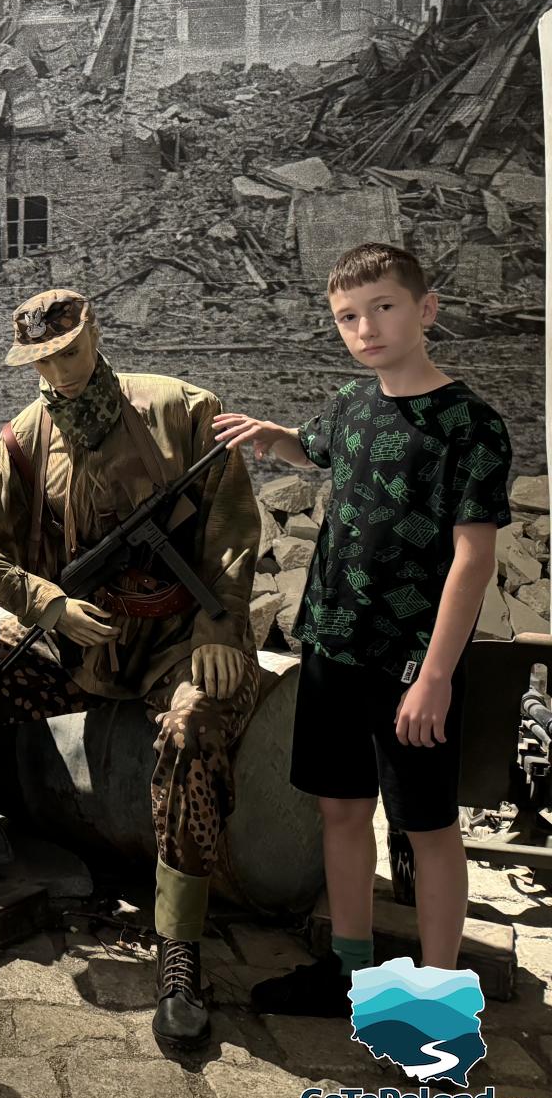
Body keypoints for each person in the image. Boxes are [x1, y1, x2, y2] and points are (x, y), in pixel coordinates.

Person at [0, 289, 260, 1050]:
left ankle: (179, 948)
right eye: (40, 361)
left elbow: (234, 525)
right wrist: (39, 601)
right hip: (79, 647)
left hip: (175, 646)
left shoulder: (179, 411)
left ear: (94, 334)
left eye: (68, 352)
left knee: (193, 726)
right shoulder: (21, 443)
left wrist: (219, 625)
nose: (59, 373)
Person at [215, 243, 510, 1015]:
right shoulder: (350, 407)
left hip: (414, 664)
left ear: (425, 309)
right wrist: (266, 433)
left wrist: (436, 675)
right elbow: (307, 448)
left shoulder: (470, 425)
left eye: (383, 307)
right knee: (340, 811)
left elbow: (473, 560)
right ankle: (351, 972)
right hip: (333, 647)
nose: (366, 327)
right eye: (349, 316)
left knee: (428, 827)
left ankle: (439, 1002)